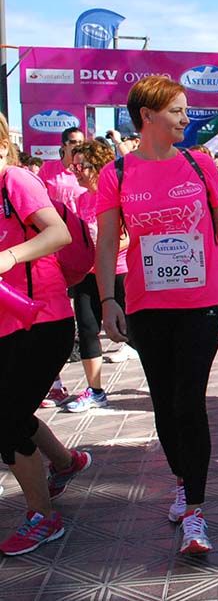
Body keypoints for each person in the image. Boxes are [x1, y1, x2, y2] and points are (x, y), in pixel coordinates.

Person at [95, 76, 218, 555]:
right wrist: (107, 300)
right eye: (178, 111)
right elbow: (105, 243)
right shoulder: (116, 174)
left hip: (200, 303)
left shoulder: (200, 164)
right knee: (165, 404)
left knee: (190, 402)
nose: (187, 119)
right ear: (148, 116)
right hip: (147, 305)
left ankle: (196, 513)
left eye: (187, 111)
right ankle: (182, 481)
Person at [0, 112, 93, 556]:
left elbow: (56, 233)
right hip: (6, 323)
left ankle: (43, 517)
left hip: (45, 320)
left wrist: (11, 256)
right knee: (10, 408)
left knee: (6, 418)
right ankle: (65, 461)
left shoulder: (15, 180)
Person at [62, 140, 133, 413]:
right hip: (87, 274)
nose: (75, 171)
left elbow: (128, 236)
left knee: (131, 329)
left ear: (99, 166)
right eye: (72, 165)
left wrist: (103, 250)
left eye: (80, 166)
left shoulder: (117, 192)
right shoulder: (81, 200)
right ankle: (95, 390)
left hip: (120, 271)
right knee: (88, 327)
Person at [36, 126, 87, 408]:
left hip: (83, 250)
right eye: (72, 143)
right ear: (63, 145)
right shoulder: (48, 171)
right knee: (54, 315)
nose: (77, 147)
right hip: (55, 252)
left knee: (85, 317)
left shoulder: (88, 171)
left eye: (81, 142)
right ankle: (53, 383)